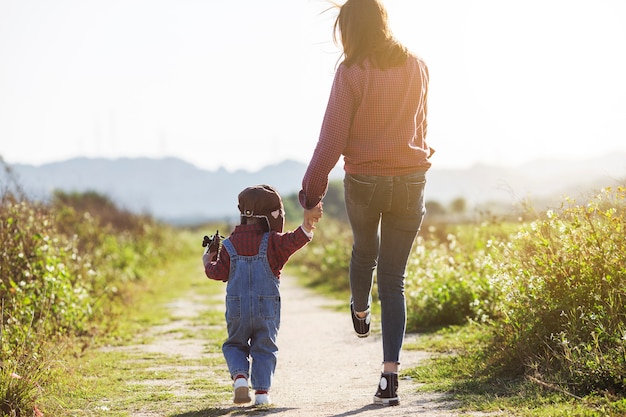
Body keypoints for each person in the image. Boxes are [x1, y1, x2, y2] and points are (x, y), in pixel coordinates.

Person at [299, 0, 433, 407]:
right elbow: (422, 125)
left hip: (365, 179)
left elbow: (332, 139)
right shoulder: (417, 65)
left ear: (352, 29)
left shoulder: (352, 71)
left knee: (364, 252)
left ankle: (360, 310)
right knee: (394, 280)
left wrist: (311, 195)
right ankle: (389, 378)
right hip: (411, 178)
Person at [203, 184, 322, 406]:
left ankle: (240, 378)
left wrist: (208, 260)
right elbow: (296, 238)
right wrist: (308, 223)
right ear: (272, 216)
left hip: (238, 309)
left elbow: (216, 272)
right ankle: (262, 394)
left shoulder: (228, 245)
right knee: (265, 346)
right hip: (266, 308)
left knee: (234, 345)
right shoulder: (274, 242)